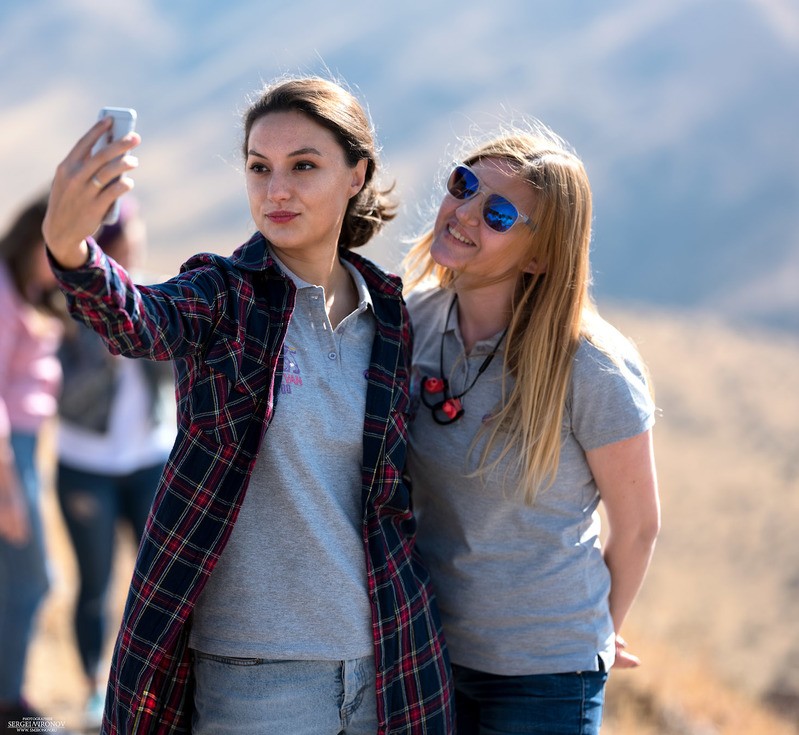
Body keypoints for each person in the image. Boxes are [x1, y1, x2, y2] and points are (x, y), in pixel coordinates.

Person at [42, 76, 454, 734]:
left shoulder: (390, 315)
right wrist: (72, 251)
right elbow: (141, 319)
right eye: (259, 168)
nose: (276, 190)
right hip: (255, 675)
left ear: (357, 175)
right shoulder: (225, 295)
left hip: (386, 662)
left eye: (303, 166)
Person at [402, 122, 660, 734]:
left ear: (542, 254)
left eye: (496, 213)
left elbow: (639, 525)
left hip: (544, 676)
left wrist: (603, 626)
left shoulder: (591, 366)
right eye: (462, 185)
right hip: (426, 653)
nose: (462, 212)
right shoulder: (409, 322)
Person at [54, 197, 176, 728]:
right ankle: (91, 689)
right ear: (113, 242)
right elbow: (58, 399)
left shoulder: (156, 295)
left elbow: (178, 377)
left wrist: (152, 344)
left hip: (150, 459)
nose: (140, 240)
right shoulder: (68, 310)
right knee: (96, 583)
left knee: (162, 580)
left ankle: (159, 686)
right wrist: (106, 359)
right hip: (86, 465)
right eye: (131, 233)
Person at [0, 194, 64, 730]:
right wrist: (7, 490)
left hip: (24, 446)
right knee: (30, 579)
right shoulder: (3, 290)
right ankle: (10, 706)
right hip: (6, 453)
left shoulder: (27, 289)